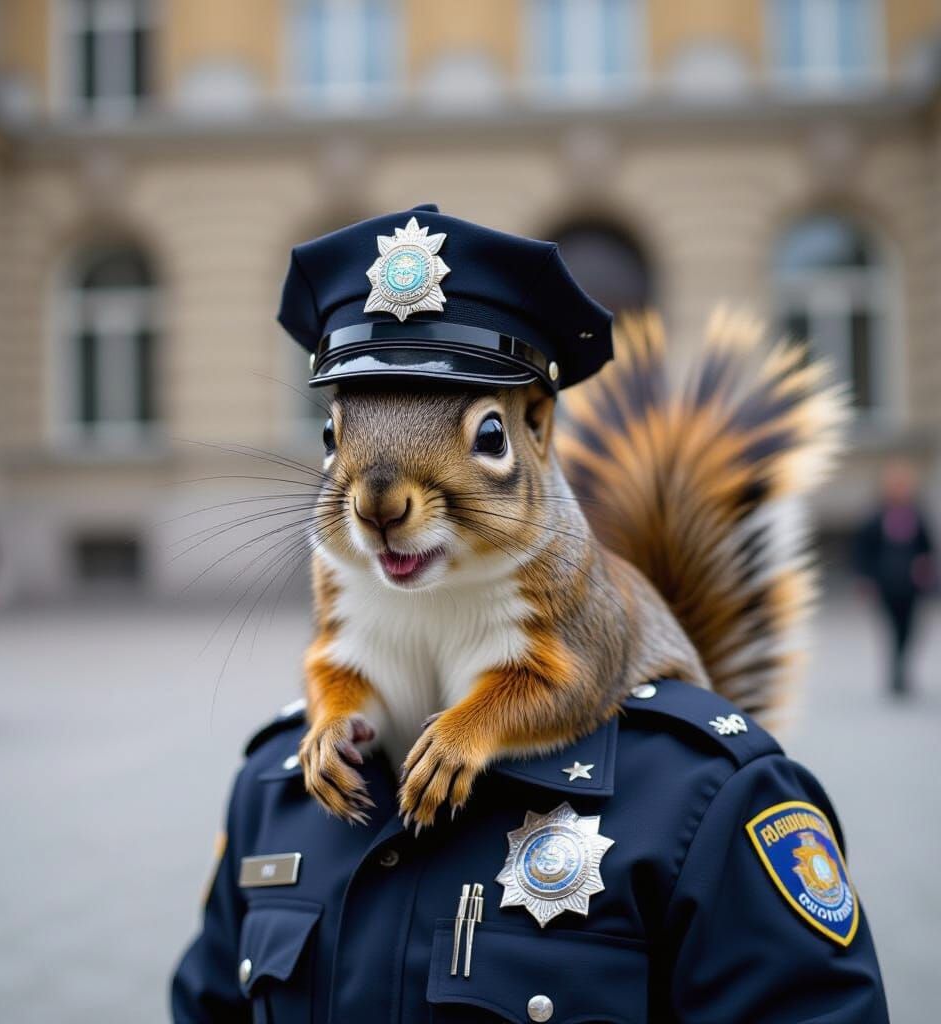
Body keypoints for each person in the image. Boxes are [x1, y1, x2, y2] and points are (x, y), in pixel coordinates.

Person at [171, 206, 888, 1021]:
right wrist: (335, 716)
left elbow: (566, 671)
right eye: (339, 442)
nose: (378, 502)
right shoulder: (273, 788)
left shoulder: (707, 800)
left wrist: (477, 726)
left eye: (481, 435)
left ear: (536, 431)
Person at [853, 458, 936, 697]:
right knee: (893, 628)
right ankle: (895, 673)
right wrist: (864, 578)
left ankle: (902, 670)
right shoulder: (876, 516)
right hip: (886, 582)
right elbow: (863, 550)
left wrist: (926, 567)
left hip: (912, 583)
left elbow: (926, 547)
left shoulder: (917, 514)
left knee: (910, 629)